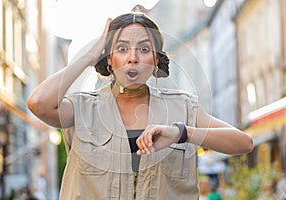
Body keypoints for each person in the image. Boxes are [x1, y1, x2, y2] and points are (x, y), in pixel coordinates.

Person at [27, 12, 253, 199]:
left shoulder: (183, 106)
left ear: (155, 60)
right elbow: (39, 103)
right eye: (122, 49)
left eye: (144, 49)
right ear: (108, 59)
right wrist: (89, 55)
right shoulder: (82, 108)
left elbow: (243, 143)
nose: (133, 58)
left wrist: (182, 132)